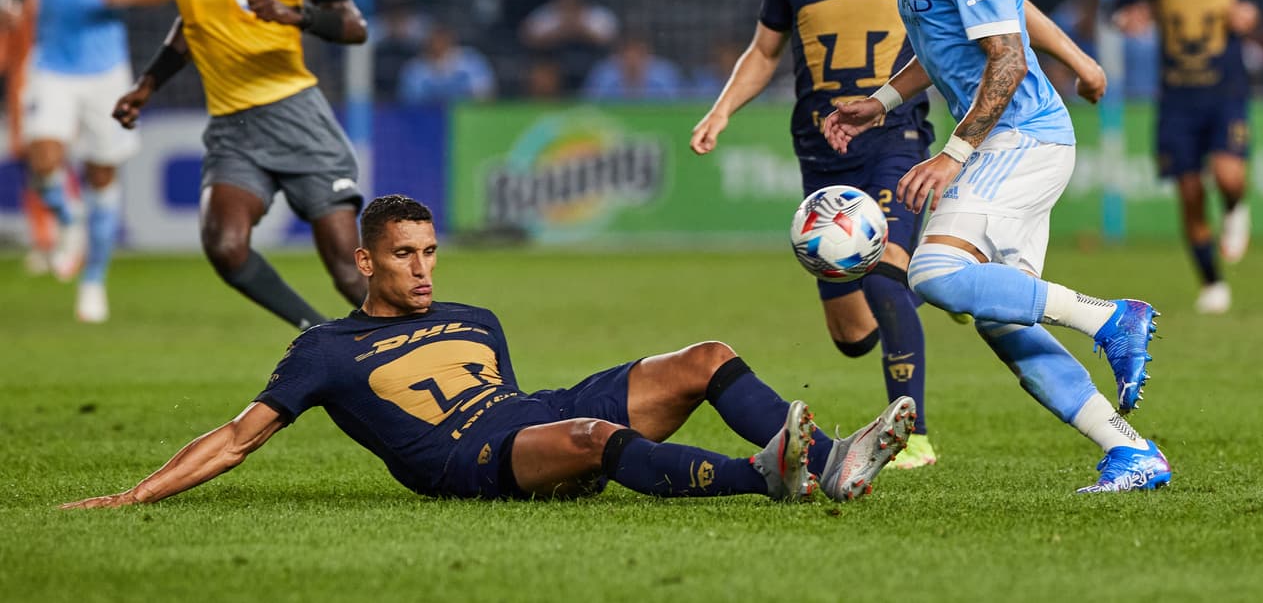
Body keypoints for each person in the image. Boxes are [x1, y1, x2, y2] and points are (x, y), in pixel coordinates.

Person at [691, 0, 1106, 472]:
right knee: (853, 333)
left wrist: (1077, 57)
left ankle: (913, 433)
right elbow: (765, 51)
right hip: (822, 146)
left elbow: (1009, 9)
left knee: (889, 269)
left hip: (898, 136)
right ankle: (966, 282)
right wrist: (720, 111)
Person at [60, 194, 917, 508]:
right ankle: (769, 477)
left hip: (524, 415)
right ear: (365, 261)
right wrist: (137, 492)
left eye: (430, 251)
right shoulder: (325, 349)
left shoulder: (476, 316)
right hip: (467, 457)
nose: (424, 269)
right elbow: (237, 436)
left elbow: (507, 395)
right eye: (405, 255)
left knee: (705, 355)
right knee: (590, 437)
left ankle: (831, 458)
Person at [824, 0, 1169, 493]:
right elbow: (951, 39)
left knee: (934, 273)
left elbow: (1007, 58)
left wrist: (952, 155)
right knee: (1003, 322)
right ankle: (1132, 450)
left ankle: (1113, 317)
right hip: (1014, 137)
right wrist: (882, 101)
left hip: (1022, 139)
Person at [112, 0, 368, 331]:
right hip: (233, 128)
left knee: (348, 272)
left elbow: (355, 27)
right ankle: (316, 335)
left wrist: (295, 15)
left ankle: (429, 353)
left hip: (296, 116)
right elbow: (191, 26)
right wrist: (147, 85)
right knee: (225, 247)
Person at [0, 0, 170, 322]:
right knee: (41, 156)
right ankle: (68, 219)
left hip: (105, 73)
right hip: (50, 65)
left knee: (101, 174)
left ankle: (92, 282)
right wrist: (9, 1)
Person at [1114, 0, 1263, 315]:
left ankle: (1237, 209)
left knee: (1227, 174)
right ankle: (1212, 282)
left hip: (1225, 88)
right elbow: (1123, 4)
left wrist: (1252, 14)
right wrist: (1131, 16)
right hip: (1176, 92)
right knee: (1189, 191)